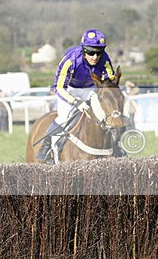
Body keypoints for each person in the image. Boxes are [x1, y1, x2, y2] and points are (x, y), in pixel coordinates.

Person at [35, 29, 117, 163]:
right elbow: (59, 87)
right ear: (84, 50)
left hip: (90, 89)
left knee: (104, 115)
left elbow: (110, 81)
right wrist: (75, 102)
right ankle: (46, 149)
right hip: (69, 89)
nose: (95, 57)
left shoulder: (105, 59)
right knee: (63, 118)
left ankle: (116, 146)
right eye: (91, 52)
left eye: (99, 52)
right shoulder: (71, 60)